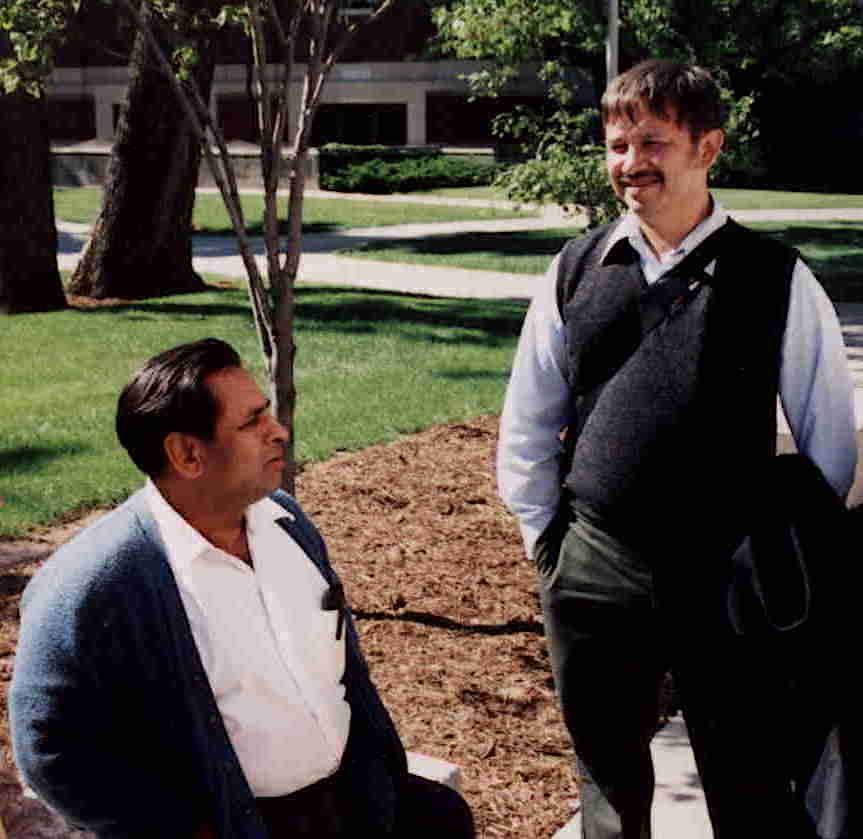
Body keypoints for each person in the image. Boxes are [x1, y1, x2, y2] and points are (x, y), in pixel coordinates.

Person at [497, 59, 858, 838]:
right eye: (617, 143)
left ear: (708, 146)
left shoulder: (775, 278)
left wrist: (781, 557)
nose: (630, 164)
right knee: (607, 781)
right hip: (592, 564)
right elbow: (527, 424)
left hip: (727, 576)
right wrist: (549, 548)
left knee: (750, 779)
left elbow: (827, 440)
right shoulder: (575, 270)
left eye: (652, 142)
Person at [10, 338, 474, 839]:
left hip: (356, 803)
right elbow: (49, 746)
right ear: (187, 453)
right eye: (252, 422)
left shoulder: (287, 524)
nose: (279, 431)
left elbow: (342, 666)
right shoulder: (94, 581)